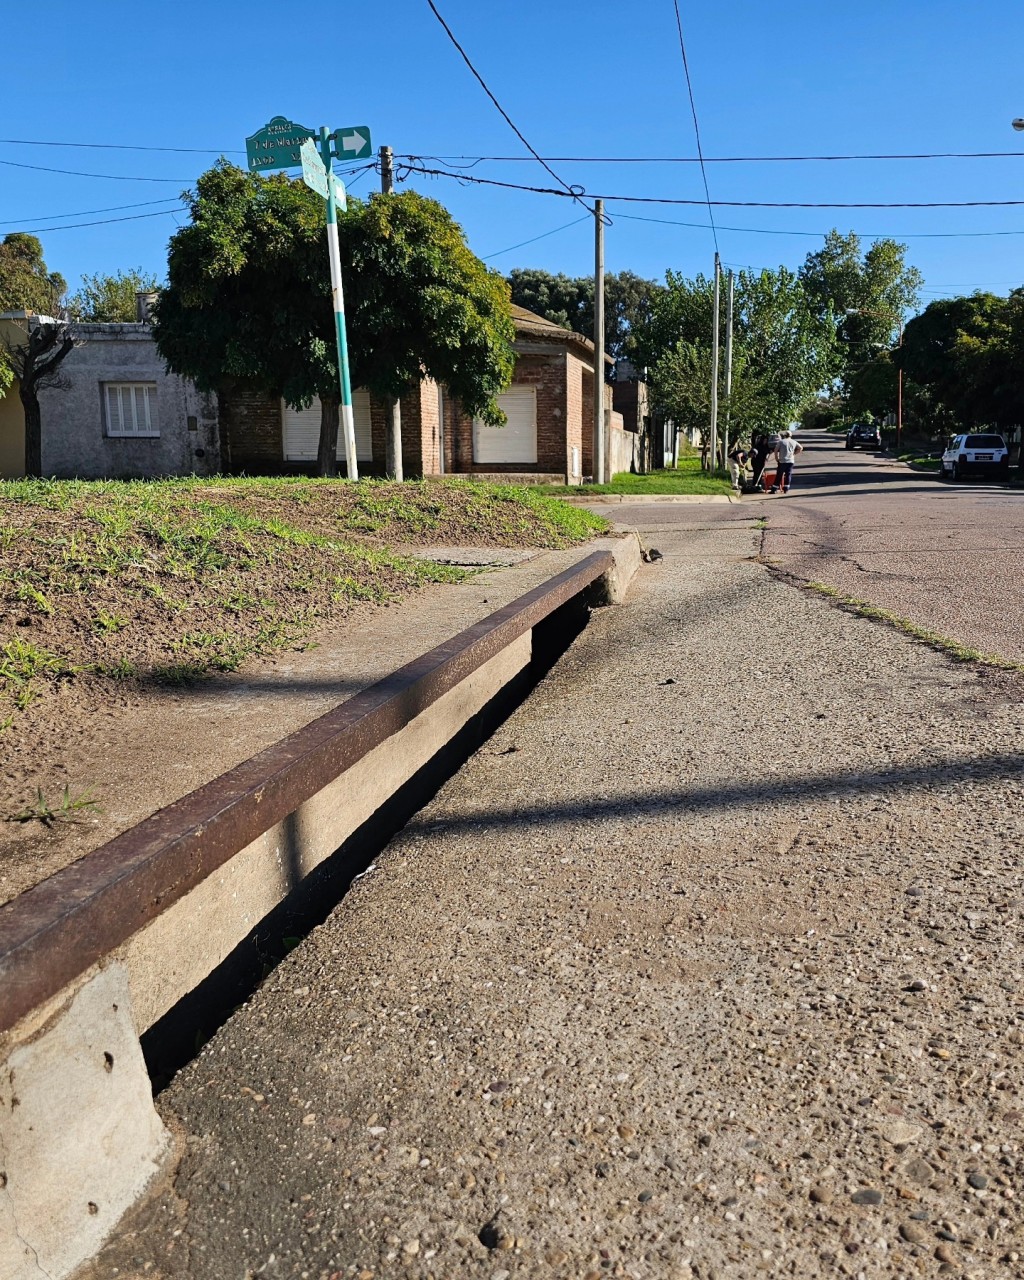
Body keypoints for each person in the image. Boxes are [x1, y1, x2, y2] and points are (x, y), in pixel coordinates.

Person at [770, 429, 803, 493]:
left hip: (782, 461)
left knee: (779, 475)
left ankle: (774, 489)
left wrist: (776, 458)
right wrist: (794, 453)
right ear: (791, 435)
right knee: (788, 474)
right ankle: (786, 489)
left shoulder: (781, 442)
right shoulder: (793, 442)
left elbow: (776, 450)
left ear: (784, 435)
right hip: (790, 461)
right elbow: (801, 448)